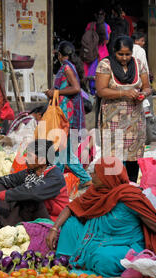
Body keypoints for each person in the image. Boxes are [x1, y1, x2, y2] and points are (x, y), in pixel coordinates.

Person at [46, 156, 156, 277]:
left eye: (96, 173)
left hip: (125, 244)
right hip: (97, 236)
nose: (92, 176)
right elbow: (71, 207)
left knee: (103, 258)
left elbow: (154, 223)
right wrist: (54, 228)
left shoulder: (129, 195)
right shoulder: (95, 192)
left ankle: (88, 260)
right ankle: (65, 261)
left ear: (107, 176)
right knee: (71, 223)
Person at [95, 35, 152, 183]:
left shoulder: (139, 64)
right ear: (114, 51)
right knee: (113, 155)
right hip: (112, 118)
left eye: (128, 54)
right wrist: (124, 93)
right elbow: (101, 90)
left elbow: (147, 86)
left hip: (135, 119)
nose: (125, 57)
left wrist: (143, 94)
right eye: (121, 54)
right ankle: (113, 188)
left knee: (134, 155)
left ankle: (131, 186)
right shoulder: (105, 65)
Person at [0, 140, 69, 227]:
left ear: (41, 160)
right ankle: (1, 225)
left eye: (29, 155)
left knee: (28, 197)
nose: (26, 158)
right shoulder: (29, 173)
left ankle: (7, 226)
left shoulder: (55, 176)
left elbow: (33, 192)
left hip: (52, 221)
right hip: (31, 215)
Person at [45, 41, 92, 188]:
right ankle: (80, 179)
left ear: (59, 55)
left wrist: (56, 92)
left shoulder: (66, 67)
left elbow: (76, 88)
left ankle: (57, 182)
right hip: (66, 113)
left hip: (67, 115)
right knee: (64, 152)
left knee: (61, 150)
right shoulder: (69, 67)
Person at [83, 9, 112, 96]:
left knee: (91, 73)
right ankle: (101, 92)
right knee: (103, 73)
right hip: (102, 53)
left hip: (91, 52)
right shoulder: (107, 27)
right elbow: (107, 41)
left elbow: (86, 39)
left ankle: (91, 93)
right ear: (104, 16)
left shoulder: (89, 25)